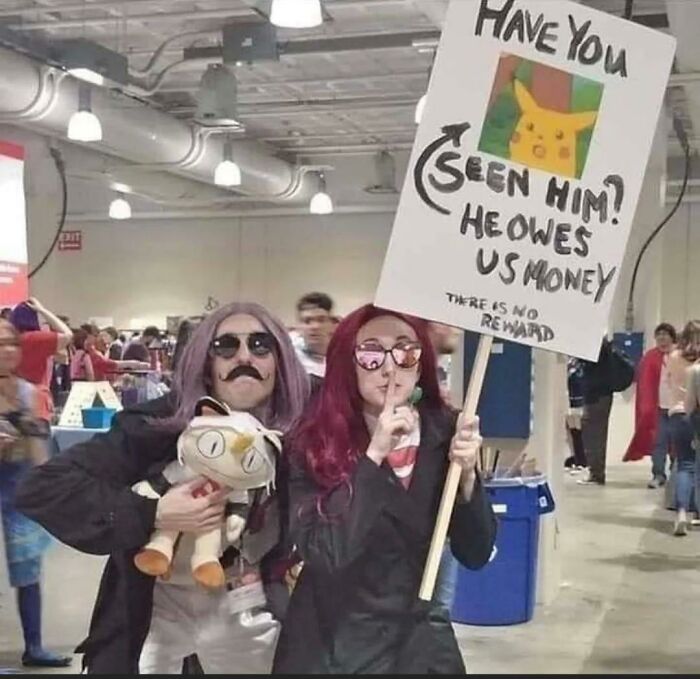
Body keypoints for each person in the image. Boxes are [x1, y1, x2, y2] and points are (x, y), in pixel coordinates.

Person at [16, 302, 310, 673]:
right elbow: (44, 488)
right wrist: (154, 512)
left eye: (260, 345)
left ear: (280, 360)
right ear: (206, 361)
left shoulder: (306, 430)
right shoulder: (156, 426)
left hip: (256, 621)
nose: (244, 357)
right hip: (155, 621)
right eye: (226, 346)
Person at [272, 305, 497, 674]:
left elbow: (476, 552)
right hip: (335, 641)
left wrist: (469, 477)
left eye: (406, 352)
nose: (390, 368)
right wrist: (374, 456)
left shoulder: (445, 431)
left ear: (421, 365)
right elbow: (326, 553)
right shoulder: (313, 441)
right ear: (348, 364)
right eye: (371, 354)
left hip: (417, 638)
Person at [0, 318, 71, 668]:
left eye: (12, 342)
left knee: (28, 569)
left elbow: (41, 455)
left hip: (19, 489)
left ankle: (34, 646)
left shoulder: (30, 392)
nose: (7, 350)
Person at [623, 323, 677, 488]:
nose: (662, 337)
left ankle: (676, 475)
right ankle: (658, 474)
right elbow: (644, 383)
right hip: (658, 408)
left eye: (665, 334)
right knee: (658, 442)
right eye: (659, 334)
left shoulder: (679, 356)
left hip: (678, 408)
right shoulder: (650, 357)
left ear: (672, 337)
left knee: (677, 443)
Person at [577, 338, 634, 486]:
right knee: (596, 433)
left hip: (596, 395)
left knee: (593, 434)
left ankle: (596, 474)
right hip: (601, 395)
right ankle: (596, 472)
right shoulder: (604, 346)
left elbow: (591, 368)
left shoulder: (596, 346)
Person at [10, 299, 73, 425]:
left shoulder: (11, 341)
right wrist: (42, 310)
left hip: (12, 399)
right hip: (37, 401)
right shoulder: (36, 338)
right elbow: (67, 334)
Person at [666, 321, 700, 536]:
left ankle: (680, 513)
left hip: (678, 414)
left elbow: (669, 382)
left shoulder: (673, 357)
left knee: (684, 465)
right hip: (695, 412)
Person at [294, 293, 335, 378]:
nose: (315, 326)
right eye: (307, 321)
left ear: (331, 325)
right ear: (298, 328)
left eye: (321, 320)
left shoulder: (344, 358)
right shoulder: (290, 359)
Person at [565, 357, 587, 472]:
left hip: (577, 402)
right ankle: (578, 458)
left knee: (577, 431)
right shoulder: (572, 364)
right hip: (571, 401)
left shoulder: (579, 366)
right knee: (574, 431)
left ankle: (581, 459)